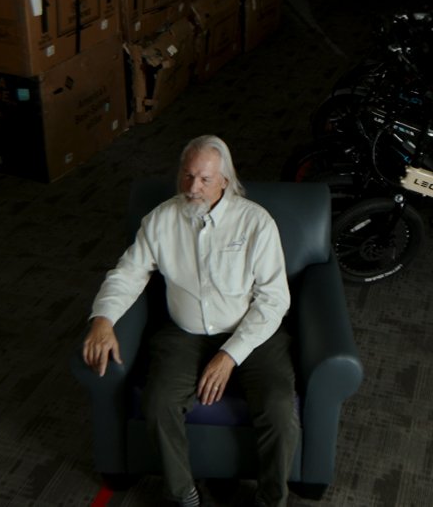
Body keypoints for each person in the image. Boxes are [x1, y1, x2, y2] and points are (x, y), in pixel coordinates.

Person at [83, 135, 297, 507]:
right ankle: (183, 493)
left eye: (205, 179)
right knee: (159, 401)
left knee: (279, 408)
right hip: (184, 333)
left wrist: (230, 355)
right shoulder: (161, 219)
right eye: (187, 176)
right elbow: (128, 274)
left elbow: (274, 299)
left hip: (251, 333)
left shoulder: (256, 222)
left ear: (225, 180)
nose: (193, 188)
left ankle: (271, 499)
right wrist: (102, 318)